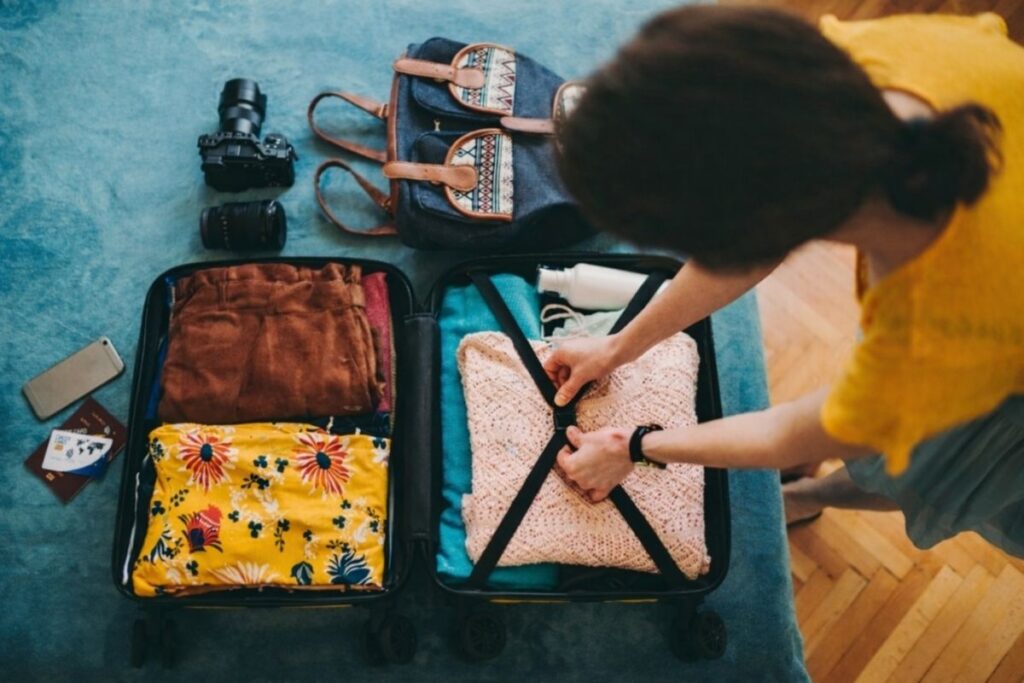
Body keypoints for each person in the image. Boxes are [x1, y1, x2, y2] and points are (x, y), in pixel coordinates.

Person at [548, 6, 1024, 557]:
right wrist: (616, 346)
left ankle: (810, 496)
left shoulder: (933, 337)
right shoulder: (889, 62)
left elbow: (790, 432)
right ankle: (813, 488)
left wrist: (632, 446)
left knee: (923, 470)